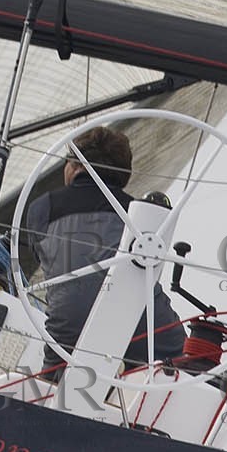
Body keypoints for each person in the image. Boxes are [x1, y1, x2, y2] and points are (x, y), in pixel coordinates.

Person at [26, 126, 186, 378]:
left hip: (70, 334)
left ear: (74, 165)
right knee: (191, 363)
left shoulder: (40, 208)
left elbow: (45, 260)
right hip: (145, 330)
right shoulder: (142, 215)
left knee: (53, 382)